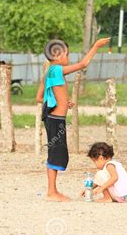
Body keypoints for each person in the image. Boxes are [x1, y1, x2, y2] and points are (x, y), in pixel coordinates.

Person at [36, 37, 109, 202]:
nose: (68, 57)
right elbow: (83, 64)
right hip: (55, 119)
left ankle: (52, 190)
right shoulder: (55, 70)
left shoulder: (50, 73)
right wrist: (96, 45)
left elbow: (39, 97)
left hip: (54, 118)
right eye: (67, 54)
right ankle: (51, 192)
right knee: (55, 153)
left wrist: (61, 102)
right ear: (57, 54)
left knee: (57, 153)